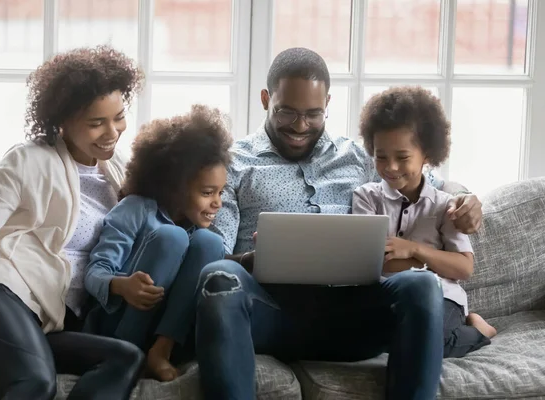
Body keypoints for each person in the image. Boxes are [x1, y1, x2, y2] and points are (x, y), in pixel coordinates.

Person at [195, 47, 484, 400]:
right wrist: (250, 260)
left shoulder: (361, 157)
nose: (301, 126)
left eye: (314, 114)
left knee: (422, 285)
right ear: (266, 99)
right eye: (287, 112)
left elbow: (430, 186)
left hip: (354, 315)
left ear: (328, 103)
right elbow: (217, 250)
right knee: (218, 278)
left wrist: (468, 199)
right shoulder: (234, 164)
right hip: (271, 314)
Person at [0, 45, 146, 400]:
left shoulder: (118, 171)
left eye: (118, 116)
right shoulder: (27, 161)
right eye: (96, 122)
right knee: (36, 383)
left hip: (50, 319)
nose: (112, 131)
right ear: (62, 121)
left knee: (125, 358)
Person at [83, 105, 231, 382]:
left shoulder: (199, 227)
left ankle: (161, 350)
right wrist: (121, 285)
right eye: (207, 192)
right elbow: (95, 271)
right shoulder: (135, 209)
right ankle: (131, 352)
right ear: (175, 186)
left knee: (211, 243)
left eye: (221, 192)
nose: (217, 203)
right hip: (117, 328)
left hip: (166, 333)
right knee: (171, 237)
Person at [353, 86, 497, 359]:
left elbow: (463, 268)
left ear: (427, 156)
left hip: (443, 299)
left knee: (428, 341)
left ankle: (479, 329)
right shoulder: (366, 198)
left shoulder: (445, 205)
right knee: (380, 337)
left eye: (403, 157)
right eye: (381, 156)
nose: (391, 167)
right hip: (388, 296)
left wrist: (413, 250)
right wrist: (437, 264)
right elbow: (372, 262)